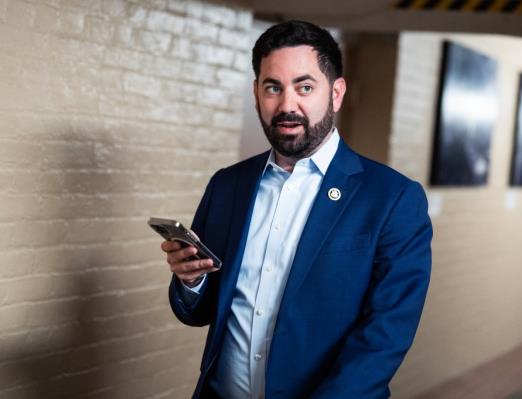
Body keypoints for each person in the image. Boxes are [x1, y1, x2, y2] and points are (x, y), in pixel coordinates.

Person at [162, 20, 432, 399]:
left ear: (336, 93)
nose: (288, 105)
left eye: (305, 87)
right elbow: (198, 313)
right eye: (273, 88)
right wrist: (192, 280)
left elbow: (385, 336)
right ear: (256, 94)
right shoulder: (227, 186)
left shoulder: (392, 199)